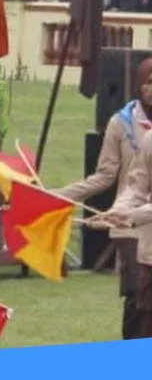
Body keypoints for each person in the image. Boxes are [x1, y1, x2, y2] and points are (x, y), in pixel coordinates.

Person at [52, 57, 152, 340]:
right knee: (137, 294)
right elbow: (112, 178)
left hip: (142, 219)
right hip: (128, 226)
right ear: (138, 85)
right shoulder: (122, 124)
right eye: (149, 82)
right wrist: (58, 196)